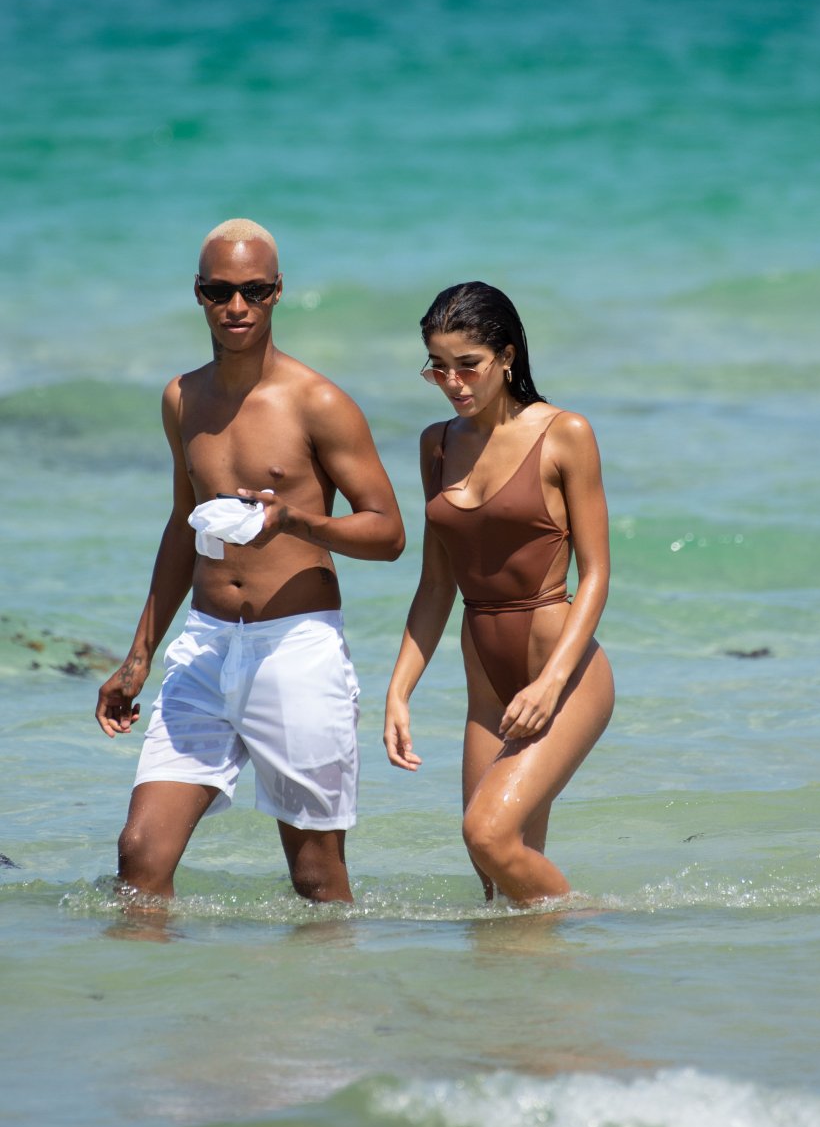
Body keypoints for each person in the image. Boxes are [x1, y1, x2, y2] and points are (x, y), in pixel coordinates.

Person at [97, 218, 405, 904]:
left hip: (296, 646)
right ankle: (149, 977)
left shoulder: (318, 402)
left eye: (254, 291)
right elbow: (182, 525)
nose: (236, 307)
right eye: (220, 291)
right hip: (205, 647)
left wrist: (297, 520)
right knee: (140, 856)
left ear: (277, 292)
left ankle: (333, 981)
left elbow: (388, 533)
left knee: (315, 877)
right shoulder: (182, 398)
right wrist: (139, 657)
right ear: (198, 294)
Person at [383, 282, 614, 905]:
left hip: (563, 674)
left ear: (507, 356)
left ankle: (594, 926)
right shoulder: (436, 444)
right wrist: (399, 691)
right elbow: (436, 584)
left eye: (468, 365)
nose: (453, 383)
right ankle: (539, 968)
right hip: (486, 683)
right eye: (437, 367)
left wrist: (549, 685)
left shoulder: (565, 432)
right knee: (495, 879)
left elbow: (596, 574)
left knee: (488, 835)